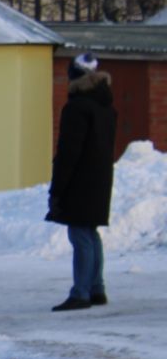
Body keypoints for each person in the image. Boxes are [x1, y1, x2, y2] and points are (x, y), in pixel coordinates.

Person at [48, 52, 116, 311]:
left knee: (80, 235)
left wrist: (58, 187)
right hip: (100, 177)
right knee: (90, 232)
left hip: (80, 180)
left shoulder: (76, 108)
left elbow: (68, 152)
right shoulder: (105, 106)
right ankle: (96, 287)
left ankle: (81, 293)